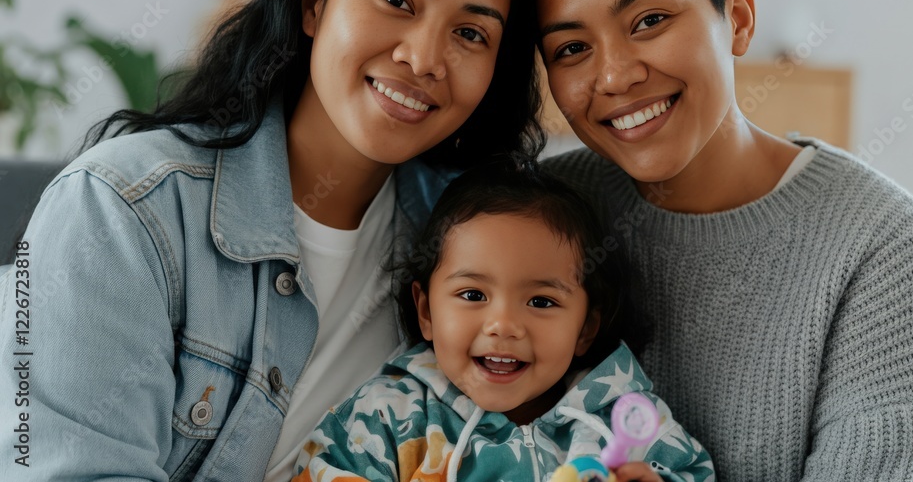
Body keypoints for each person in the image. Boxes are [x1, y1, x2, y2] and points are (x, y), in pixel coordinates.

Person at [0, 0, 544, 480]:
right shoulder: (121, 206)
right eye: (396, 0)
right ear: (315, 4)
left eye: (471, 33)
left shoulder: (475, 246)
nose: (423, 59)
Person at [534, 0, 913, 481]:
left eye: (649, 20)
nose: (616, 76)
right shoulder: (540, 216)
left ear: (736, 19)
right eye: (570, 49)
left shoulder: (881, 241)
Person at [291, 157, 714, 482]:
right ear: (426, 312)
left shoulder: (628, 421)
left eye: (542, 302)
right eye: (473, 295)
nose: (504, 325)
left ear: (585, 327)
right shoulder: (387, 417)